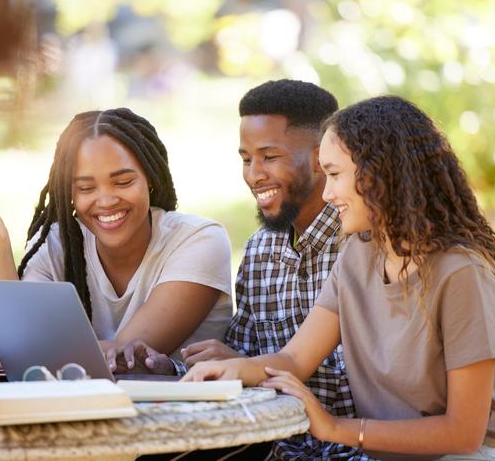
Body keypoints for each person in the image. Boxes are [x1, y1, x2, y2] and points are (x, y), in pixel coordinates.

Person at [183, 96, 495, 461]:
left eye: (335, 174)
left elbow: (463, 433)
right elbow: (295, 359)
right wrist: (231, 370)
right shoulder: (356, 256)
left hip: (491, 452)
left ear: (379, 174)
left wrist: (336, 428)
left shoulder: (463, 273)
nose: (327, 193)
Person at [138, 80, 368, 460]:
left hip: (351, 447)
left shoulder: (361, 244)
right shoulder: (261, 250)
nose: (253, 174)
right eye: (246, 159)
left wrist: (253, 369)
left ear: (320, 157)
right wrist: (170, 369)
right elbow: (242, 359)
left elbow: (352, 382)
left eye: (269, 156)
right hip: (275, 445)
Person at [0, 108, 233, 376]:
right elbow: (18, 336)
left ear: (150, 178)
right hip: (92, 422)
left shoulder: (198, 240)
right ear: (68, 194)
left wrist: (7, 354)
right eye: (85, 188)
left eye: (123, 182)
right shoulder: (58, 244)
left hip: (189, 428)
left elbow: (126, 353)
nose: (106, 200)